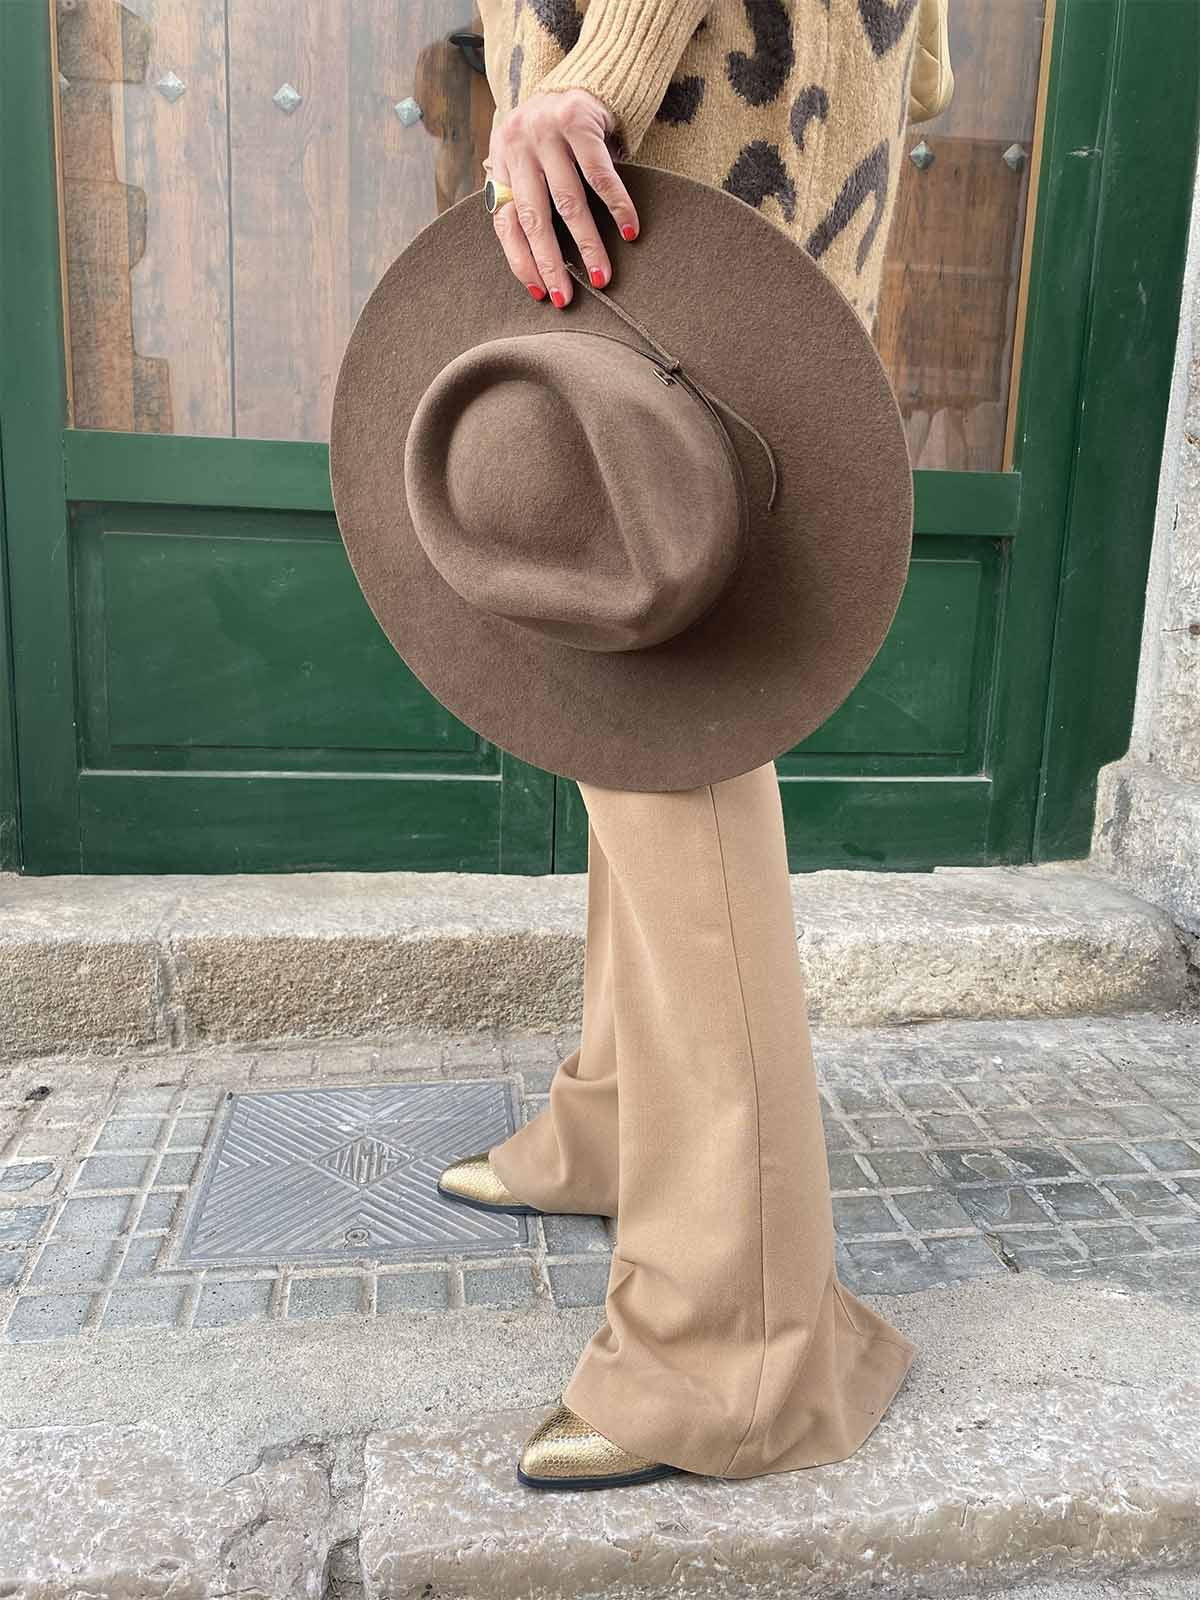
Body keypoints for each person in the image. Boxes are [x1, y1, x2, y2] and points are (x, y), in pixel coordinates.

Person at [439, 0, 927, 1491]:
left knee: (673, 708)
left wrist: (605, 66)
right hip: (723, 140)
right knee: (615, 707)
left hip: (677, 146)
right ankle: (613, 1118)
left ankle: (741, 1353)